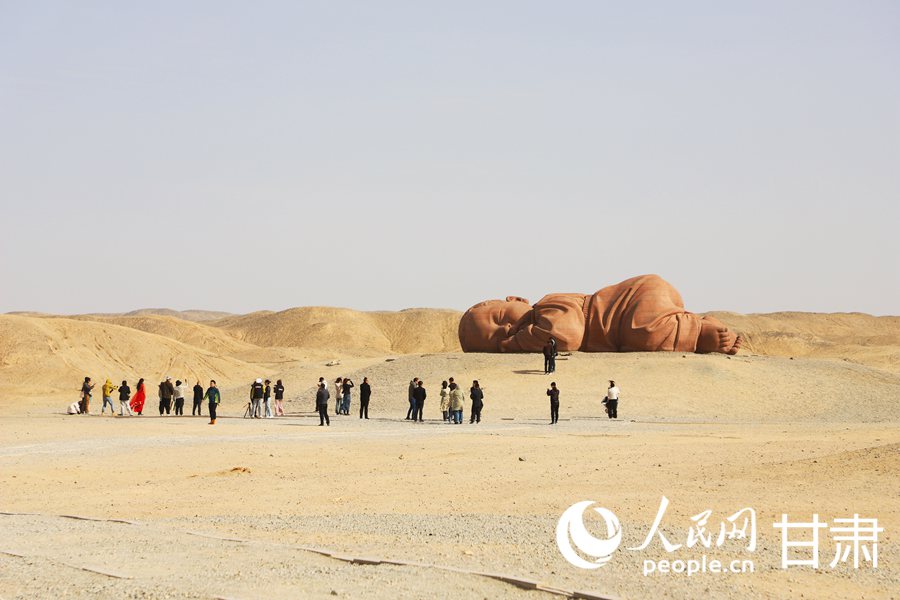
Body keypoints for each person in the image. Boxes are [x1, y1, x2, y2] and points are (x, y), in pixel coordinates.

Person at [459, 274, 743, 355]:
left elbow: (566, 336)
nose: (509, 328)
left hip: (633, 303)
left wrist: (514, 343)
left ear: (517, 299)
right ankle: (704, 327)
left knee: (643, 334)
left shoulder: (549, 306)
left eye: (501, 318)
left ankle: (699, 328)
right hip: (626, 322)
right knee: (641, 339)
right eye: (498, 337)